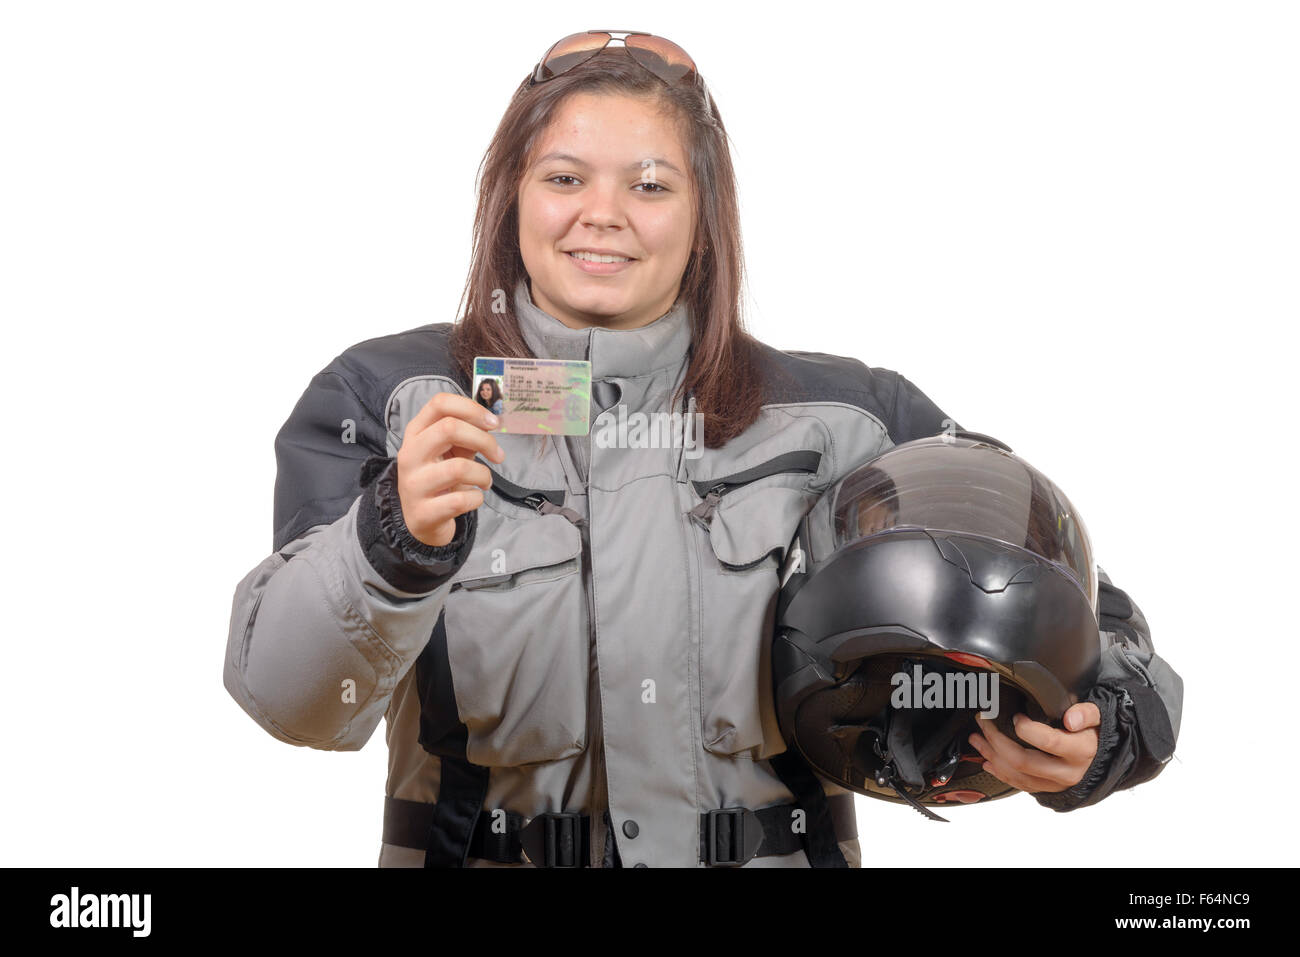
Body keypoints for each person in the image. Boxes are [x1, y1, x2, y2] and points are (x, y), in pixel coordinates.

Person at [223, 30, 1182, 867]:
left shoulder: (851, 418)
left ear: (703, 215)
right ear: (511, 194)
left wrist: (1100, 734)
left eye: (650, 183)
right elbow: (289, 699)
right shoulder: (387, 400)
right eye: (565, 177)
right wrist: (390, 547)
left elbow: (1086, 618)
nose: (603, 213)